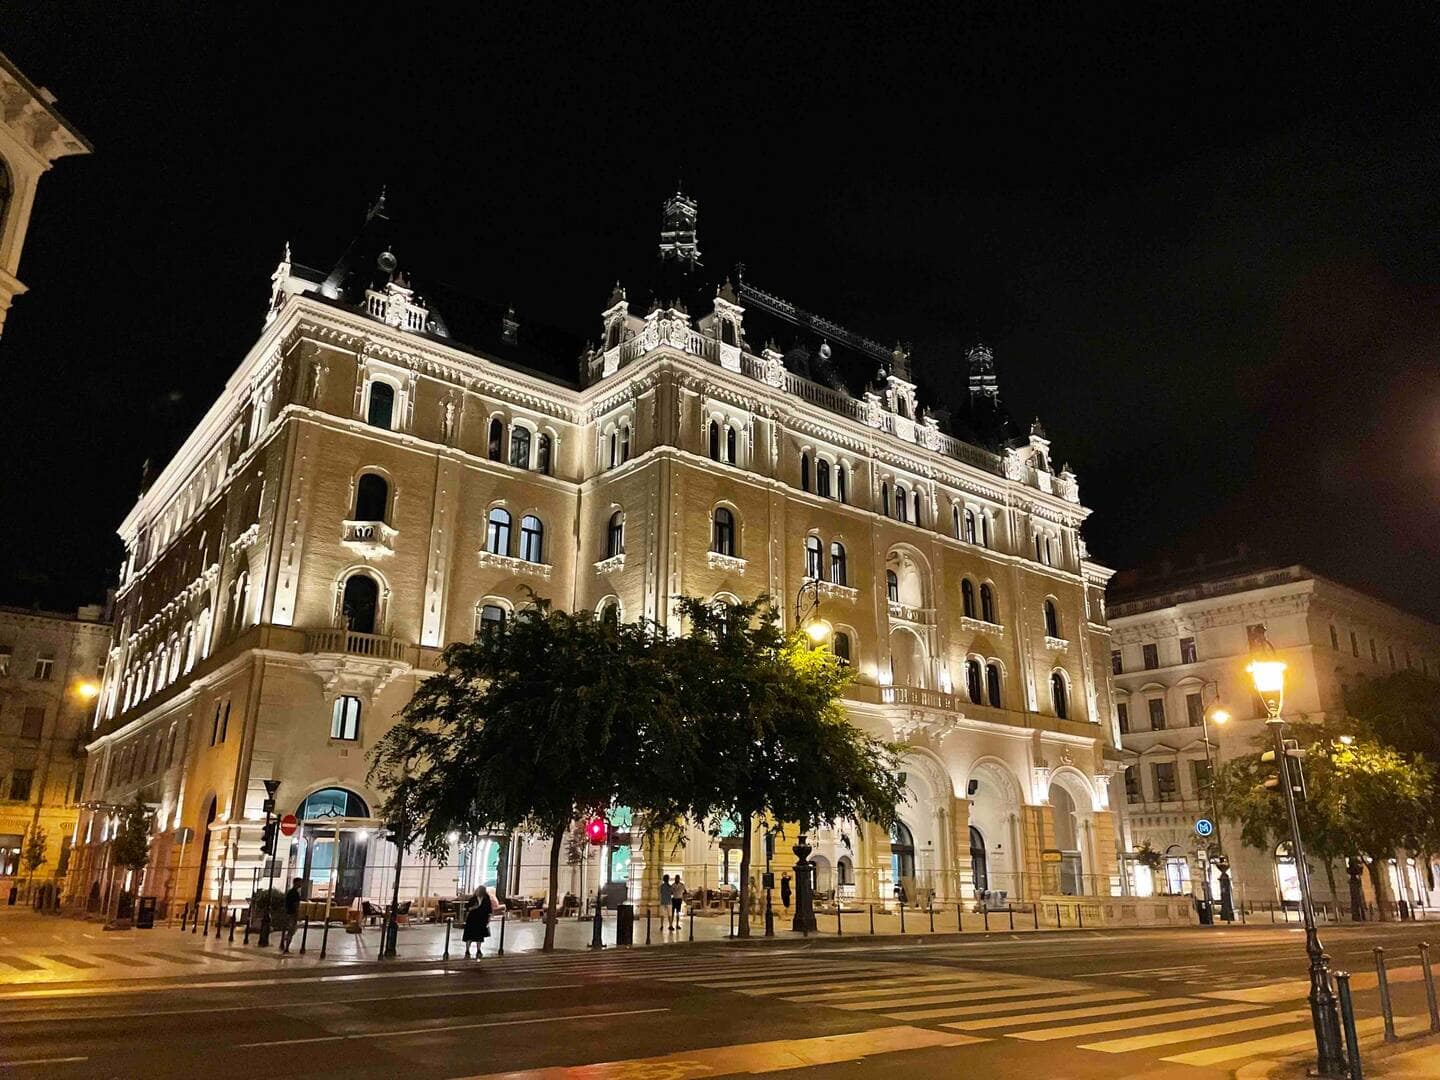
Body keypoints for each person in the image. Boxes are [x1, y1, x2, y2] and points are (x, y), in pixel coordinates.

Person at [463, 888, 493, 959]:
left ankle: (478, 950)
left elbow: (489, 909)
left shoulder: (486, 899)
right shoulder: (473, 899)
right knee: (469, 936)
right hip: (472, 920)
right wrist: (473, 907)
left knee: (479, 936)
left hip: (481, 920)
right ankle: (467, 950)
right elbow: (467, 908)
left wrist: (488, 918)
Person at [279, 877, 303, 953]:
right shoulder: (295, 893)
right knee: (291, 931)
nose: (301, 884)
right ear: (296, 883)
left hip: (288, 913)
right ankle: (286, 947)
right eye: (300, 882)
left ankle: (283, 943)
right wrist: (297, 915)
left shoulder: (290, 892)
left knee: (289, 930)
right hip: (292, 914)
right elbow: (296, 905)